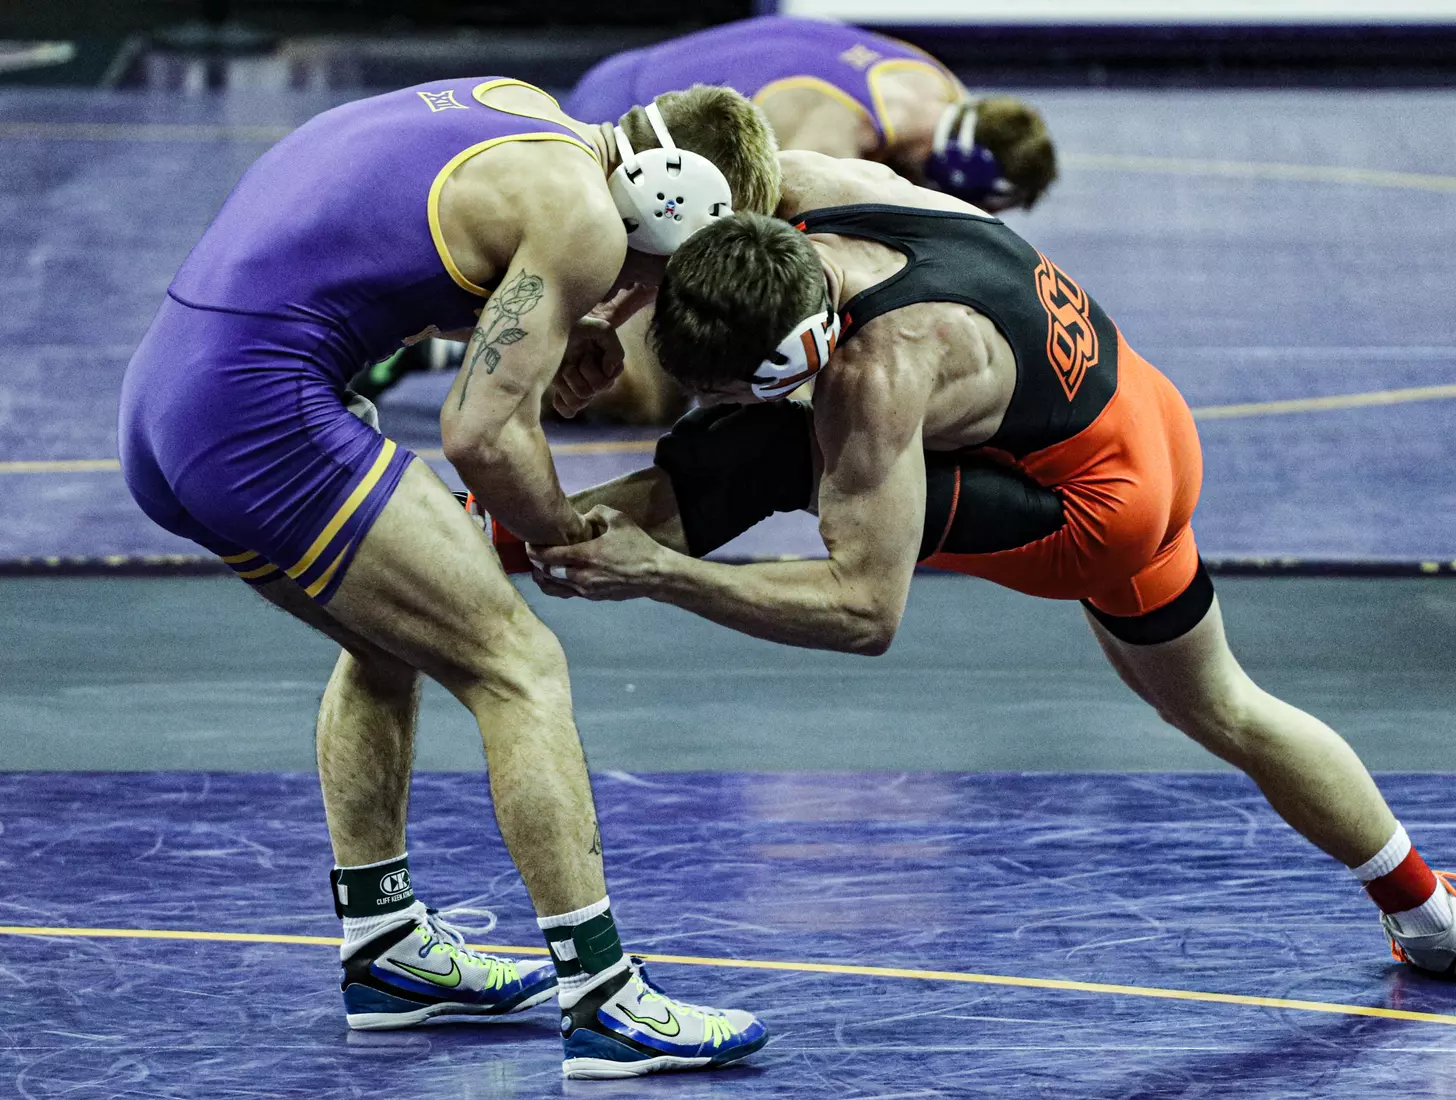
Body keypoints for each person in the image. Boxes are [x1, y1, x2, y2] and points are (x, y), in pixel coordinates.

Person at [527, 151, 1456, 977]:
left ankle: (481, 532)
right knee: (1222, 706)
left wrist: (662, 574)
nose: (693, 401)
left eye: (725, 385)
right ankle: (1428, 912)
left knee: (760, 452)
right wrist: (603, 311)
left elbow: (864, 612)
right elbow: (671, 165)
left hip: (1090, 520)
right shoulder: (823, 186)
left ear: (798, 351)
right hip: (1146, 420)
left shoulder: (879, 372)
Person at [117, 76, 776, 1078]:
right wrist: (563, 534)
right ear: (668, 195)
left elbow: (367, 236)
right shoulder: (584, 216)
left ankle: (386, 948)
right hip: (257, 408)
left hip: (170, 397)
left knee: (390, 641)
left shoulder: (529, 119)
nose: (644, 294)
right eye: (667, 268)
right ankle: (604, 1000)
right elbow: (480, 435)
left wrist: (551, 321)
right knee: (520, 666)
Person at [356, 14, 1058, 419]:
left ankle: (504, 326)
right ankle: (452, 342)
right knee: (644, 389)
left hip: (657, 88)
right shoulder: (829, 129)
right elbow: (743, 244)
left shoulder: (941, 87)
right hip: (639, 136)